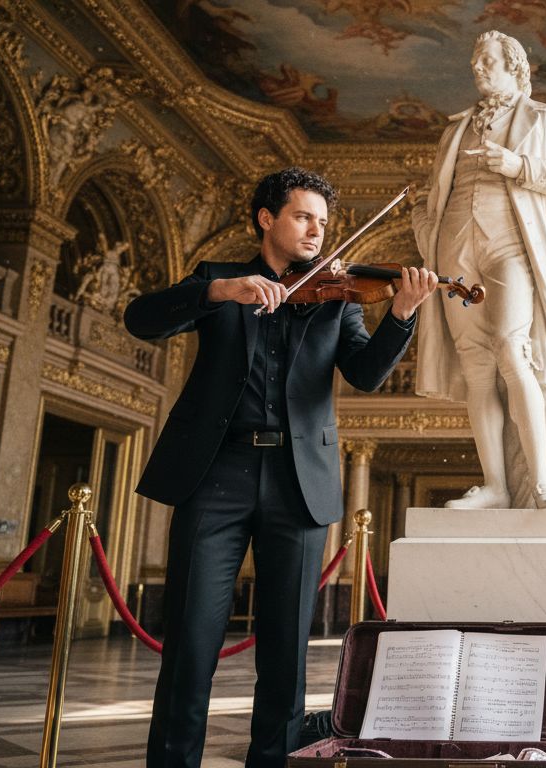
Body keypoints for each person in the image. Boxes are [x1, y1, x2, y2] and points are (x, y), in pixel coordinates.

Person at [123, 167, 438, 768]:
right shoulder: (219, 279)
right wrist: (220, 292)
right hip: (215, 475)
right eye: (303, 217)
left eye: (323, 221)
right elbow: (142, 319)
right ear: (267, 219)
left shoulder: (336, 296)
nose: (317, 231)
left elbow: (366, 375)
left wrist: (401, 314)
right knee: (190, 644)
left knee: (286, 655)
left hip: (299, 482)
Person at [411, 30, 546, 511]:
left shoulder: (545, 118)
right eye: (475, 60)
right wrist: (425, 224)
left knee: (513, 350)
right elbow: (435, 192)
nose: (477, 67)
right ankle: (495, 485)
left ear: (515, 67)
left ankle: (543, 483)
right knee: (476, 363)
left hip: (510, 241)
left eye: (487, 60)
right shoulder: (455, 129)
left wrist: (519, 165)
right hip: (455, 246)